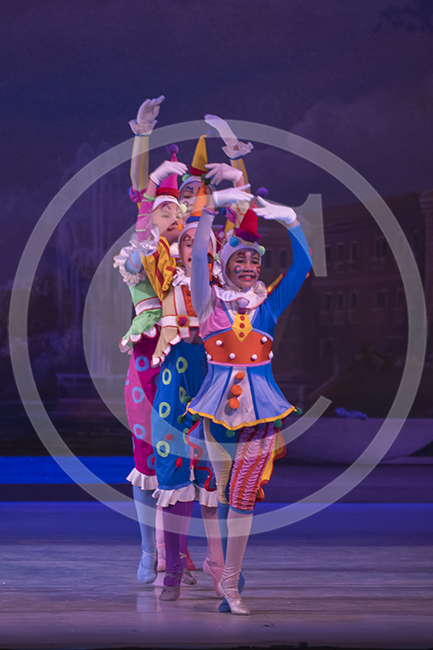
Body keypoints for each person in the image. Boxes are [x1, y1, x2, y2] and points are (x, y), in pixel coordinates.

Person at [187, 193, 312, 614]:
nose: (247, 267)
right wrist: (209, 209)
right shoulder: (208, 304)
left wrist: (292, 222)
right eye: (239, 260)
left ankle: (230, 581)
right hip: (215, 413)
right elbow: (197, 261)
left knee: (242, 496)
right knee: (224, 493)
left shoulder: (268, 305)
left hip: (260, 413)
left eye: (254, 261)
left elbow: (303, 267)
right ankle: (227, 571)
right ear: (225, 264)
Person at [135, 165, 253, 601]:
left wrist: (236, 174)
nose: (193, 247)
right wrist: (155, 181)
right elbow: (146, 229)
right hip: (175, 377)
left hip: (213, 379)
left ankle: (221, 565)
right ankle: (170, 569)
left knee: (216, 478)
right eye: (186, 241)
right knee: (173, 476)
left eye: (199, 242)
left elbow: (243, 231)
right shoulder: (164, 274)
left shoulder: (224, 288)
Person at [114, 96, 189, 584]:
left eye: (179, 216)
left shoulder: (191, 265)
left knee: (186, 461)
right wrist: (143, 136)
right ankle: (148, 551)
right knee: (147, 458)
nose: (172, 220)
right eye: (164, 214)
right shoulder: (142, 252)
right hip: (147, 359)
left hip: (185, 359)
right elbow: (143, 193)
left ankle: (181, 555)